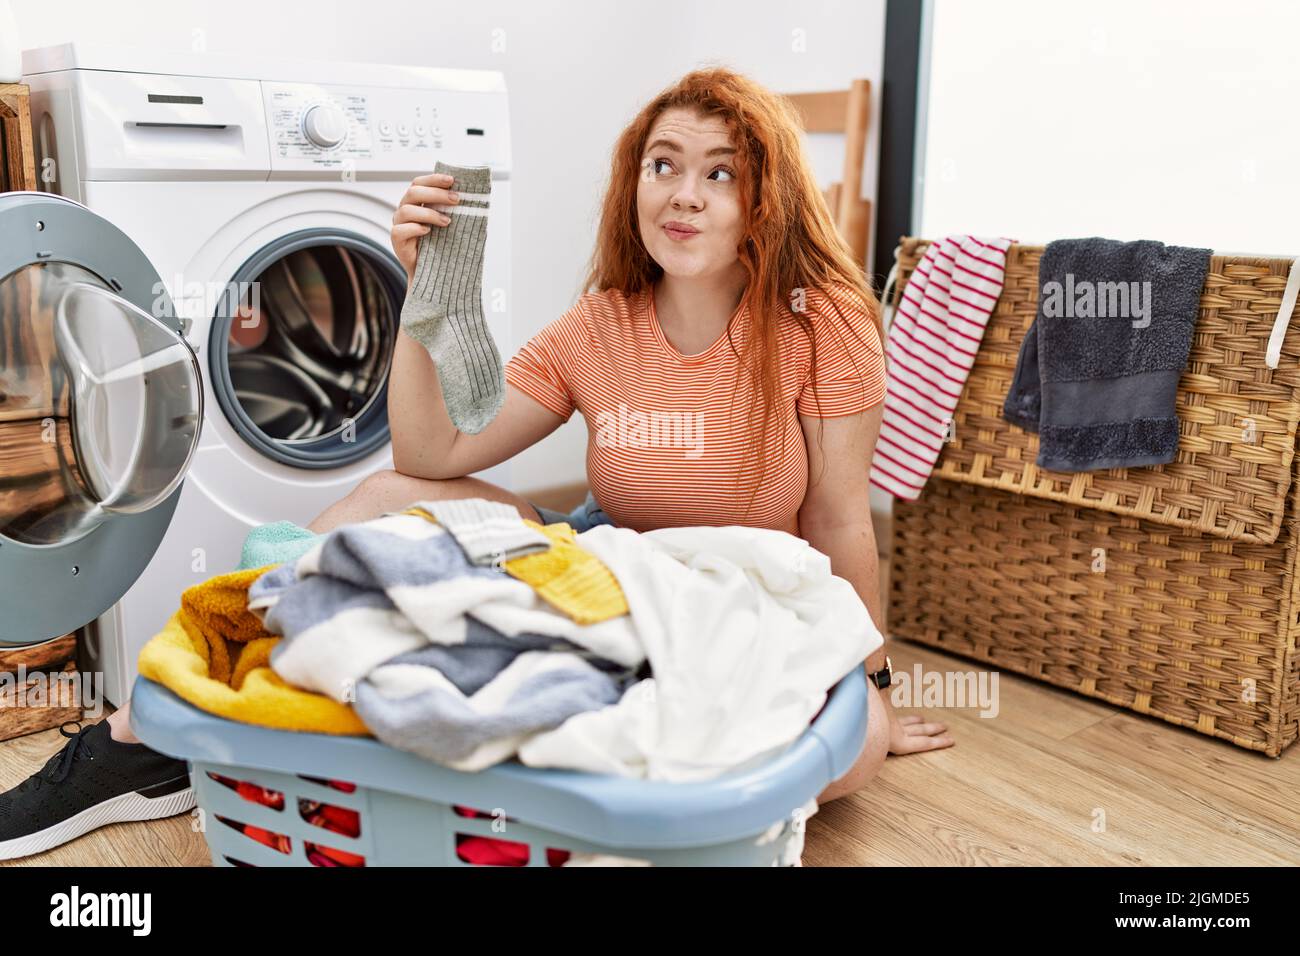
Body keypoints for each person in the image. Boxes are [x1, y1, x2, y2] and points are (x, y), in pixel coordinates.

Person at [0, 67, 951, 862]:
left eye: (720, 172)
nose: (684, 194)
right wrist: (419, 290)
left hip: (749, 600)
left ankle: (526, 778)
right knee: (383, 493)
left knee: (854, 750)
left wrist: (868, 681)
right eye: (663, 165)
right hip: (608, 569)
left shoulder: (821, 319)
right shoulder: (599, 326)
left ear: (765, 198)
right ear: (635, 183)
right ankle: (155, 728)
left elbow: (834, 523)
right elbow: (435, 454)